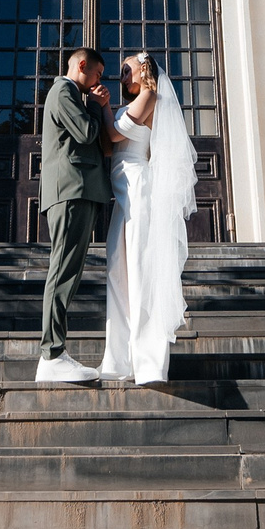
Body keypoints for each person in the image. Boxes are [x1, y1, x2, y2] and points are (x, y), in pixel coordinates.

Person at [99, 52, 198, 386]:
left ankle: (149, 363)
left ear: (143, 70)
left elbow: (113, 136)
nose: (122, 75)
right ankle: (120, 360)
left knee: (141, 272)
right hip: (124, 192)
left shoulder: (149, 95)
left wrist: (101, 106)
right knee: (118, 271)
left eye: (126, 69)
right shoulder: (136, 100)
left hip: (140, 190)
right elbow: (110, 144)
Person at [33, 47, 114, 383]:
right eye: (97, 74)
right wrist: (96, 105)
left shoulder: (72, 94)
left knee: (69, 270)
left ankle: (54, 352)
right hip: (70, 190)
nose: (99, 82)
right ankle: (51, 354)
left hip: (79, 190)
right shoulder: (63, 91)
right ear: (82, 66)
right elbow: (86, 133)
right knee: (63, 270)